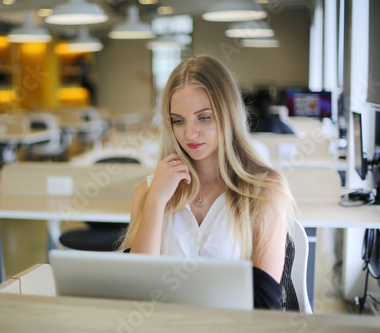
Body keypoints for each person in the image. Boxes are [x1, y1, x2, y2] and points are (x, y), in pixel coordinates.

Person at [119, 55, 297, 310]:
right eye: (178, 120)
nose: (189, 133)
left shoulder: (266, 191)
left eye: (204, 117)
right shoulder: (148, 191)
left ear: (228, 115)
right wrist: (156, 200)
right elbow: (133, 294)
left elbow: (265, 307)